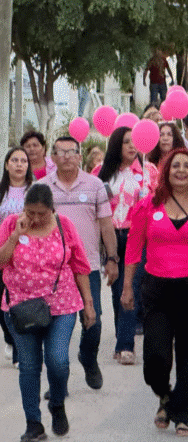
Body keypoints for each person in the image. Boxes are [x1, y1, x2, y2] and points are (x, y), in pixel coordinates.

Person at [122, 148, 188, 437]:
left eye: (187, 166)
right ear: (166, 171)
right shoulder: (147, 206)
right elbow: (132, 249)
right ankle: (165, 396)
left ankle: (185, 414)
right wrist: (128, 286)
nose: (181, 171)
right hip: (156, 288)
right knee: (156, 355)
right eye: (175, 166)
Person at [1, 184, 96, 441]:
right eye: (30, 212)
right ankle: (33, 423)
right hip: (20, 307)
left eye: (41, 214)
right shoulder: (12, 224)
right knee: (29, 366)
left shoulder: (65, 226)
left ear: (52, 210)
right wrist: (13, 237)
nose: (34, 218)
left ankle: (57, 403)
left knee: (58, 361)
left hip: (61, 305)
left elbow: (79, 265)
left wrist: (88, 304)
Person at [41, 136, 117, 391]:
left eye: (71, 152)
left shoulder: (95, 185)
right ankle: (57, 379)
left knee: (92, 320)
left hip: (89, 266)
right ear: (52, 157)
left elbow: (106, 225)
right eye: (60, 152)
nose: (66, 157)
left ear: (79, 156)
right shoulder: (42, 188)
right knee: (54, 327)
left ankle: (88, 357)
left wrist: (113, 259)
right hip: (52, 269)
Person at [95, 127, 159, 366]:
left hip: (137, 237)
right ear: (116, 146)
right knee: (115, 289)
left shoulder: (148, 171)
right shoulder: (101, 173)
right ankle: (122, 337)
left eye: (135, 142)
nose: (132, 146)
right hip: (110, 237)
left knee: (129, 287)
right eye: (125, 142)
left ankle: (125, 345)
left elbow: (159, 201)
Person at [0, 147, 33, 368]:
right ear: (7, 165)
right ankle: (10, 338)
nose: (19, 164)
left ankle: (22, 349)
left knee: (20, 303)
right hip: (2, 252)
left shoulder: (35, 191)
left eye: (23, 161)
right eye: (15, 160)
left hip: (27, 255)